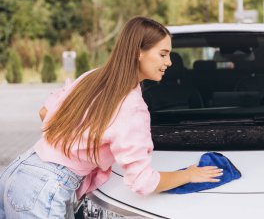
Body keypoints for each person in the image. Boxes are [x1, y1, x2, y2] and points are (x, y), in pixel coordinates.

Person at [0, 16, 223, 218]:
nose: (169, 63)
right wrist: (189, 175)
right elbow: (143, 182)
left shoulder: (93, 77)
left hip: (19, 171)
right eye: (163, 54)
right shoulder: (132, 107)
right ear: (138, 52)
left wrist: (80, 142)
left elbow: (44, 113)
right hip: (45, 188)